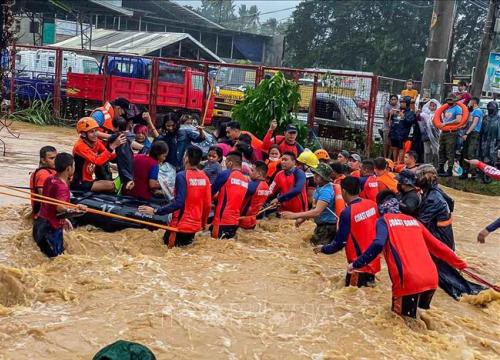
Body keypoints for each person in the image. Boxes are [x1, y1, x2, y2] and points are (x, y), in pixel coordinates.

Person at [348, 190, 468, 318]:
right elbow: (438, 247)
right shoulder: (414, 221)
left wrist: (357, 264)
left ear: (380, 208)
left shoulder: (384, 221)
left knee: (400, 323)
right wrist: (461, 264)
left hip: (409, 280)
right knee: (417, 322)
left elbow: (377, 245)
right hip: (431, 279)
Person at [415, 164, 484, 299]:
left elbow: (419, 221)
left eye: (420, 176)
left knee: (447, 278)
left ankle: (475, 295)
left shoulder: (433, 198)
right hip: (443, 236)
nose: (417, 178)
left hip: (440, 239)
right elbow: (451, 204)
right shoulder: (435, 192)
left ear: (429, 178)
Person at [139, 146, 211, 248]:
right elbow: (207, 204)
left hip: (179, 226)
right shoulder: (205, 178)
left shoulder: (182, 176)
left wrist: (155, 211)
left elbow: (178, 203)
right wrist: (203, 224)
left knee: (165, 252)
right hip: (194, 227)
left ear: (186, 158)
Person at [315, 176, 380, 287]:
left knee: (351, 299)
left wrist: (322, 249)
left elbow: (339, 243)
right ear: (359, 190)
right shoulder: (372, 205)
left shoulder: (347, 212)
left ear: (343, 191)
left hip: (357, 265)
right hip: (372, 261)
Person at [33, 153, 86, 257]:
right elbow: (60, 208)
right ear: (68, 168)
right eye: (74, 166)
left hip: (39, 224)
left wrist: (65, 219)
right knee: (57, 261)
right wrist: (77, 209)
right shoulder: (62, 187)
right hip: (51, 229)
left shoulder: (50, 178)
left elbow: (49, 204)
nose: (74, 168)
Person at [281, 163, 344, 246]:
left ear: (324, 178)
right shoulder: (320, 187)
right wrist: (302, 219)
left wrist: (294, 215)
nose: (315, 176)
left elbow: (317, 212)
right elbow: (314, 207)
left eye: (318, 175)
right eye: (315, 174)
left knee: (317, 251)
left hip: (328, 228)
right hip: (323, 226)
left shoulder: (326, 191)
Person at [71, 117, 125, 192]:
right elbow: (98, 161)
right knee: (112, 185)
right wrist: (113, 146)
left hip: (89, 180)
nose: (95, 134)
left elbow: (110, 156)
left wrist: (122, 154)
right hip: (81, 182)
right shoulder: (80, 146)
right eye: (91, 132)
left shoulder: (96, 143)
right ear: (83, 134)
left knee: (113, 182)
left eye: (96, 131)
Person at [211, 151, 249, 239]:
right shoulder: (245, 180)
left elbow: (210, 192)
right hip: (235, 222)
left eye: (226, 163)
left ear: (230, 163)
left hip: (221, 220)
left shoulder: (226, 174)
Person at [239, 161, 271, 230]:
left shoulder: (252, 186)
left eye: (252, 170)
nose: (250, 172)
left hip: (241, 221)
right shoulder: (266, 186)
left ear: (259, 174)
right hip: (252, 221)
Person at [438, 94, 463, 177]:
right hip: (443, 131)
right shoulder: (446, 108)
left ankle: (449, 170)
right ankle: (441, 167)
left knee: (450, 150)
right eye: (448, 100)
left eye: (451, 100)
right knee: (441, 149)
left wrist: (446, 123)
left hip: (452, 132)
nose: (449, 102)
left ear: (455, 101)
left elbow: (458, 120)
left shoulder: (458, 109)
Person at [108, 116, 135, 193]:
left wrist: (98, 134)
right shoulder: (130, 135)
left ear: (116, 127)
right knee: (130, 175)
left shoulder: (117, 135)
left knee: (124, 177)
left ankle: (123, 192)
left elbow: (109, 139)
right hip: (130, 159)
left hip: (122, 160)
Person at [30, 146, 57, 216]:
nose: (56, 160)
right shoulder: (43, 174)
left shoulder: (51, 171)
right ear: (43, 160)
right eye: (52, 158)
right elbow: (44, 198)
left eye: (56, 157)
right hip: (43, 215)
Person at [460, 97, 483, 179]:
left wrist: (467, 133)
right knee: (465, 152)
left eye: (470, 101)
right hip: (468, 132)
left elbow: (474, 124)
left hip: (473, 133)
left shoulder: (478, 111)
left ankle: (473, 172)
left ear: (474, 102)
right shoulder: (471, 111)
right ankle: (464, 171)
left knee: (470, 152)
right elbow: (468, 123)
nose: (469, 102)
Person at [390, 96, 416, 163]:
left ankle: (400, 162)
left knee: (401, 148)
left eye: (403, 102)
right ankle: (394, 161)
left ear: (407, 103)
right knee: (394, 147)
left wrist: (403, 117)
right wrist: (392, 115)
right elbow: (392, 121)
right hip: (394, 132)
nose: (401, 104)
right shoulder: (398, 110)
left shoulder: (410, 112)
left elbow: (410, 122)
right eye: (401, 102)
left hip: (403, 134)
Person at [419, 99, 441, 166]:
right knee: (427, 151)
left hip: (436, 136)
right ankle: (426, 165)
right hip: (426, 135)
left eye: (434, 105)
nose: (432, 107)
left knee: (436, 151)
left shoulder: (439, 114)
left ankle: (436, 165)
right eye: (431, 105)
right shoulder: (424, 114)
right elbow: (420, 122)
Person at [479, 101, 500, 170]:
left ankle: (491, 172)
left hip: (494, 140)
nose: (490, 109)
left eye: (492, 108)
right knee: (483, 154)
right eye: (489, 108)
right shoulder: (485, 117)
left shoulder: (498, 118)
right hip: (484, 139)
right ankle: (483, 171)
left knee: (492, 155)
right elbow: (481, 128)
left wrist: (499, 140)